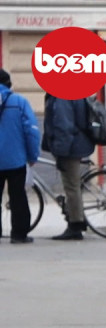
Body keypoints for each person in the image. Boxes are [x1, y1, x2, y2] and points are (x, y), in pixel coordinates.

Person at [42, 94, 95, 240]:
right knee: (74, 185)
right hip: (76, 143)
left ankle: (75, 225)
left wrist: (60, 152)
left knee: (72, 187)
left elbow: (63, 126)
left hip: (70, 147)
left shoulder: (62, 96)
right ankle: (78, 219)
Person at [0, 69, 41, 244]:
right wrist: (33, 155)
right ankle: (19, 234)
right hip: (15, 160)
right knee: (18, 197)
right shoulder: (19, 102)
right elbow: (31, 131)